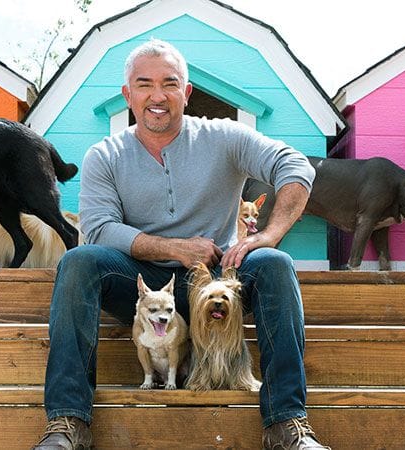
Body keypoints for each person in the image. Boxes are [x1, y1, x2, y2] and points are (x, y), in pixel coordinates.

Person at [33, 38, 329, 450]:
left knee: (275, 263)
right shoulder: (105, 154)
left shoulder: (224, 137)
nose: (158, 96)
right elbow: (99, 228)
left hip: (218, 278)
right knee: (79, 261)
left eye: (170, 84)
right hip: (144, 288)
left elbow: (295, 166)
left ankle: (287, 424)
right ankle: (68, 422)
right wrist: (175, 248)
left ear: (186, 93)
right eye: (144, 84)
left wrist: (269, 235)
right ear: (128, 95)